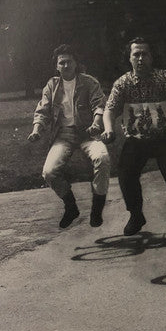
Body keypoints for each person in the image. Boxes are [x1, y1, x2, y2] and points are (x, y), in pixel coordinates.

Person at [101, 37, 166, 245]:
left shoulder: (165, 77)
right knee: (125, 174)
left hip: (165, 137)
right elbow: (110, 109)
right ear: (129, 58)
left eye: (145, 54)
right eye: (136, 54)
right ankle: (136, 214)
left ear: (152, 57)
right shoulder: (122, 83)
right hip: (137, 139)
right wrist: (108, 129)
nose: (141, 58)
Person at [27, 44, 110, 228]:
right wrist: (36, 130)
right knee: (49, 172)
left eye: (69, 62)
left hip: (88, 133)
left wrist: (96, 124)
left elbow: (99, 105)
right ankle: (70, 206)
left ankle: (97, 209)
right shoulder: (52, 85)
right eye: (61, 62)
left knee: (102, 159)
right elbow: (42, 110)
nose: (66, 66)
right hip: (63, 135)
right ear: (56, 66)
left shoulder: (89, 82)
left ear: (76, 63)